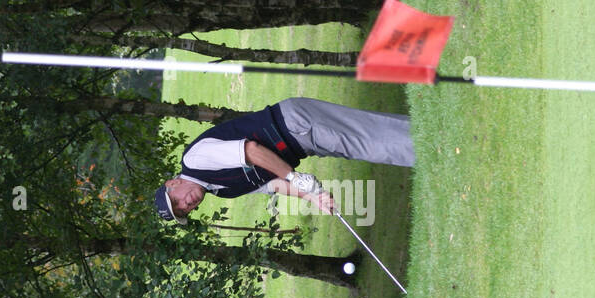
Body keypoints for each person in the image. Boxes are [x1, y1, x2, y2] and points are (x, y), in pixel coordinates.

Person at [153, 97, 414, 224]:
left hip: (291, 124)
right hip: (300, 141)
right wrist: (313, 197)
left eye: (177, 201)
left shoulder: (195, 160)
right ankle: (425, 137)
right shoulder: (222, 191)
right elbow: (273, 184)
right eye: (183, 211)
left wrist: (296, 177)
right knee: (361, 140)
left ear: (173, 183)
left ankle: (423, 146)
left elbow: (251, 150)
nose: (187, 204)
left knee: (363, 140)